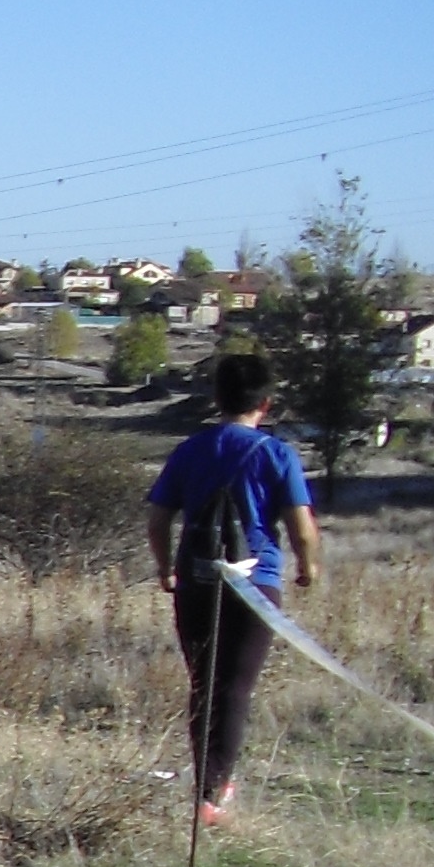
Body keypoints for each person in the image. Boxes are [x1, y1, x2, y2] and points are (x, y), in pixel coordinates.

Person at [145, 353, 322, 829]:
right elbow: (300, 525)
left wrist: (165, 568)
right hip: (255, 584)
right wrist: (307, 566)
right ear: (265, 403)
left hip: (196, 581)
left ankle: (208, 782)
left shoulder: (189, 450)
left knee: (204, 685)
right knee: (234, 689)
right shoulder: (276, 453)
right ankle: (213, 793)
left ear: (216, 399)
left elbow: (159, 517)